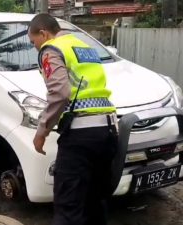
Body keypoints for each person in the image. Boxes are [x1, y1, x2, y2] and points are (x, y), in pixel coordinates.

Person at [28, 14, 118, 225]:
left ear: (44, 33)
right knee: (95, 202)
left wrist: (42, 131)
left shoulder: (51, 49)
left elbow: (60, 93)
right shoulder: (83, 47)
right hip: (108, 132)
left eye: (33, 42)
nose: (35, 47)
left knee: (68, 206)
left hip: (81, 136)